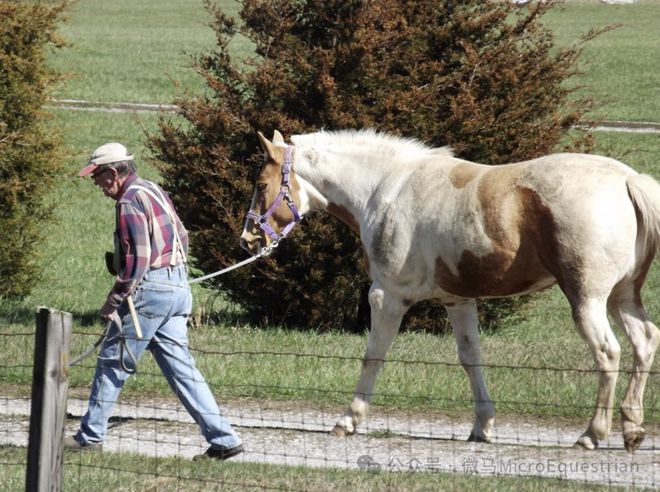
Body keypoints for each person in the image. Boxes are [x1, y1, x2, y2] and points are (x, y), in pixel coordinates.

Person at [65, 142, 243, 461]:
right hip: (178, 288)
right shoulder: (152, 189)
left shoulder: (129, 201)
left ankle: (90, 436)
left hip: (150, 291)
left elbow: (138, 260)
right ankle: (224, 440)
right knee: (182, 370)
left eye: (99, 176)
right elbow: (183, 235)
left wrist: (114, 299)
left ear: (115, 172)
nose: (96, 183)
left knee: (112, 363)